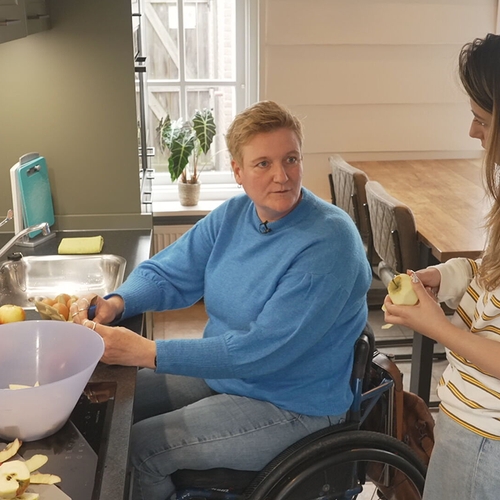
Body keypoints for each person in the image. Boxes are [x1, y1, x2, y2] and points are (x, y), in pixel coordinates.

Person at [71, 100, 372, 500]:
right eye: (263, 163)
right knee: (104, 406)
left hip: (294, 405)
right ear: (238, 172)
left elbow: (260, 352)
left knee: (143, 448)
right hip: (233, 376)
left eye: (291, 159)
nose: (282, 176)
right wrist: (118, 302)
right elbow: (169, 271)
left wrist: (149, 352)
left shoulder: (329, 242)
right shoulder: (235, 214)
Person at [383, 34, 500, 500]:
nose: (473, 131)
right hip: (468, 418)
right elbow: (490, 272)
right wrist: (446, 276)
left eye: (481, 119)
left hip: (486, 440)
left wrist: (437, 327)